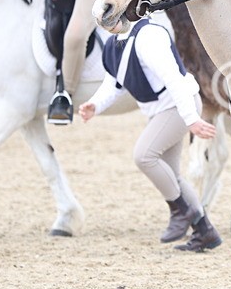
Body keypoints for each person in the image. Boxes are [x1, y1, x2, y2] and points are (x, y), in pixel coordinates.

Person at [78, 16, 222, 252]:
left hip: (179, 105)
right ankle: (205, 231)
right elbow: (114, 82)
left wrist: (191, 119)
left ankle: (181, 212)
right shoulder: (115, 43)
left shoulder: (149, 36)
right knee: (171, 175)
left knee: (144, 155)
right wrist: (95, 104)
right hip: (162, 110)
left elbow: (174, 80)